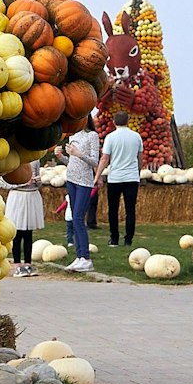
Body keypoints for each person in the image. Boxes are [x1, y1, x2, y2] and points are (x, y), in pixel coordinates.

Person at [61, 117, 102, 272]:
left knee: (78, 217)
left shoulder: (92, 135)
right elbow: (72, 162)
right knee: (74, 217)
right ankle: (79, 257)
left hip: (84, 182)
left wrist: (79, 154)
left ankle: (85, 257)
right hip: (71, 179)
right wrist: (62, 157)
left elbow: (95, 161)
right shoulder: (73, 135)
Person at [101, 111, 143, 247]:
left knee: (113, 209)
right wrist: (137, 172)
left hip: (115, 178)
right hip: (131, 178)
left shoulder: (110, 137)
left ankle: (114, 238)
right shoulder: (136, 137)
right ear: (128, 121)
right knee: (130, 210)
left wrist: (98, 175)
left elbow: (105, 158)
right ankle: (128, 239)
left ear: (114, 122)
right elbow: (140, 158)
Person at [0, 162, 43, 276]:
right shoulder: (14, 161)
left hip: (31, 196)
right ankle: (17, 265)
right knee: (17, 233)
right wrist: (22, 183)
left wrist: (38, 182)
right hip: (18, 197)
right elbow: (3, 183)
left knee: (28, 234)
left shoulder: (36, 160)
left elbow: (38, 182)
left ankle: (28, 264)